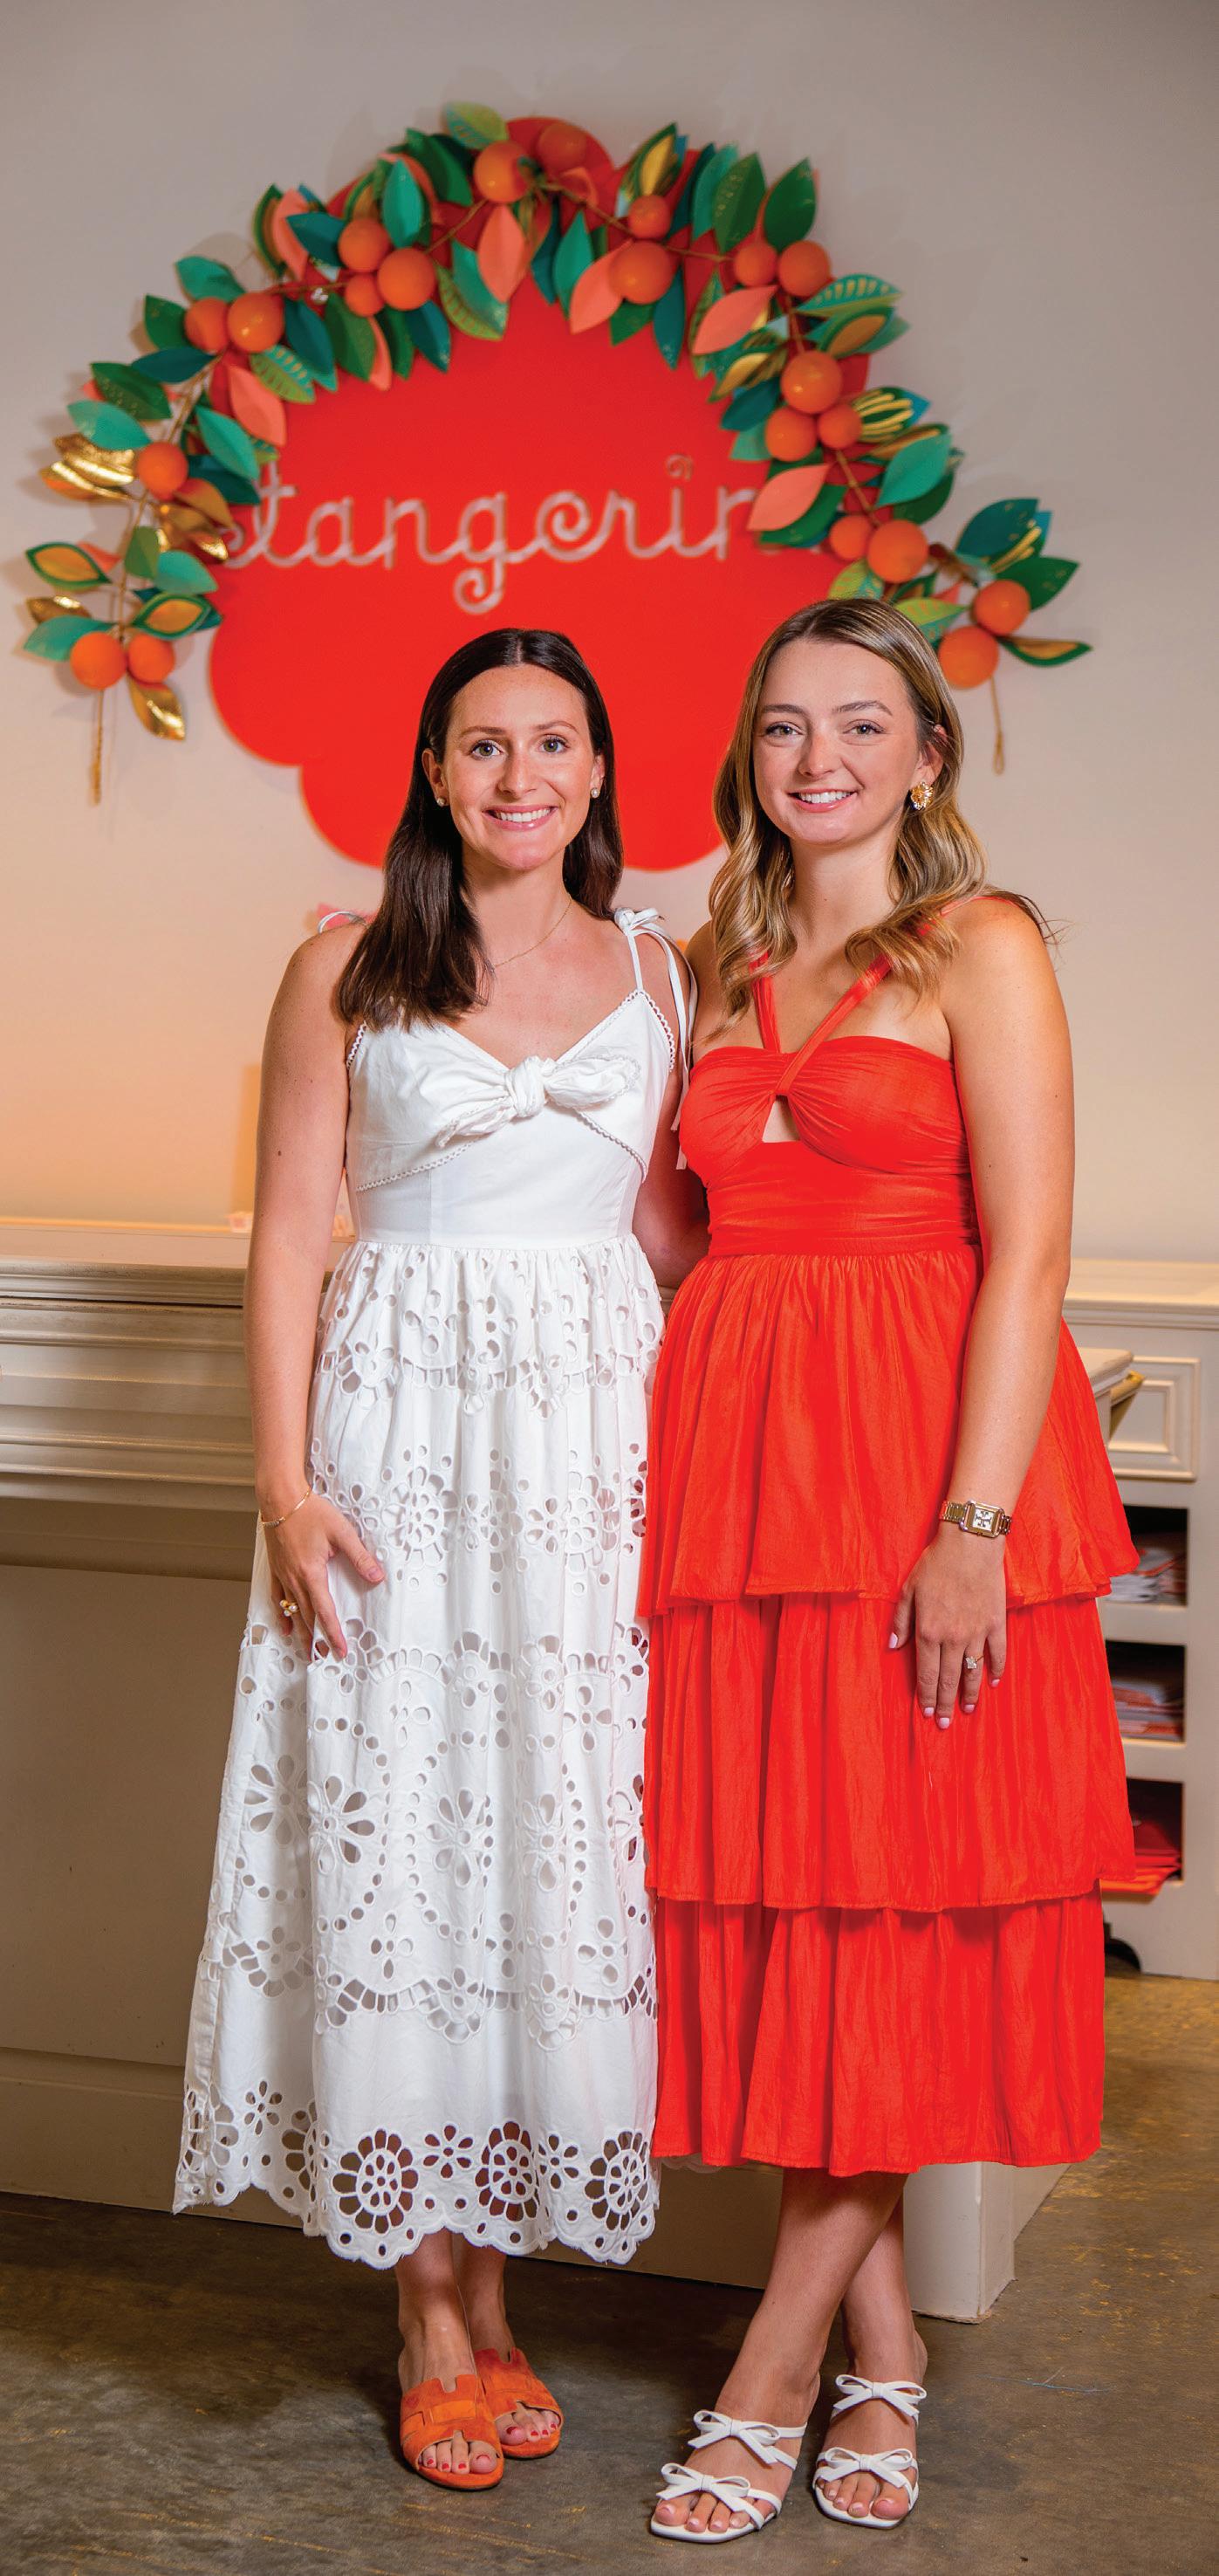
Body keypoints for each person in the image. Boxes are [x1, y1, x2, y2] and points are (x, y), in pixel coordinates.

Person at [175, 628, 703, 2493]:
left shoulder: (660, 969)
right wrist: (283, 1485)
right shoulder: (342, 966)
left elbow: (671, 1234)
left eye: (555, 743)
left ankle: (494, 2286)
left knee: (542, 1846)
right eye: (485, 745)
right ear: (432, 768)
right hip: (393, 1445)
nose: (520, 777)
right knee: (402, 1839)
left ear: (599, 768)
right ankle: (425, 2307)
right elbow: (288, 1234)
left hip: (589, 1459)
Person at [643, 597, 1135, 2541]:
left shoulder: (981, 945)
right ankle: (886, 2350)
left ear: (928, 754)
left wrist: (974, 1526)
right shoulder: (714, 958)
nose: (819, 757)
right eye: (784, 725)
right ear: (747, 758)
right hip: (742, 1483)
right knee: (804, 1913)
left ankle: (772, 2372)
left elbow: (1030, 1251)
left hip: (921, 1469)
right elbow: (678, 1236)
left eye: (861, 723)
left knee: (899, 1906)